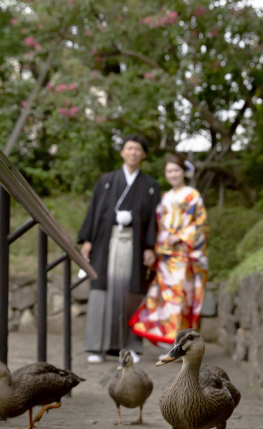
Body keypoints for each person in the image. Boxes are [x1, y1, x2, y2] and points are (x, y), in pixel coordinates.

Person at [78, 134, 161, 363]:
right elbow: (94, 211)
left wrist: (149, 246)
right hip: (107, 241)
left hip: (135, 244)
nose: (133, 152)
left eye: (138, 149)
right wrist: (88, 239)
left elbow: (153, 220)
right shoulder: (106, 181)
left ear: (143, 155)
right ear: (123, 152)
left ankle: (130, 346)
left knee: (131, 291)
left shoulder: (151, 186)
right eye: (129, 148)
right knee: (101, 289)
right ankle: (97, 346)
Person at [129, 154, 208, 348]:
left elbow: (200, 223)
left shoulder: (192, 195)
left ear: (184, 172)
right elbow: (157, 224)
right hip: (165, 255)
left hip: (184, 255)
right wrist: (155, 247)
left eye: (176, 170)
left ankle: (179, 341)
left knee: (181, 298)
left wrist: (180, 236)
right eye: (169, 171)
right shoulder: (165, 197)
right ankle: (168, 338)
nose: (173, 174)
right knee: (163, 297)